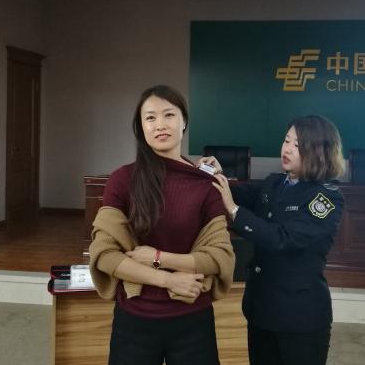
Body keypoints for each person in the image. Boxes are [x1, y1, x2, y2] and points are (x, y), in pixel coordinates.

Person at [89, 84, 235, 365]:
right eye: (150, 118)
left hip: (193, 318)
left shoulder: (205, 185)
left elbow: (220, 257)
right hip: (135, 319)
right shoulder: (122, 180)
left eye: (169, 115)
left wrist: (157, 257)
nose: (160, 125)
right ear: (141, 127)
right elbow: (104, 254)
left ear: (184, 122)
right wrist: (167, 279)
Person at [203, 115, 345, 365]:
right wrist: (216, 174)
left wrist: (234, 211)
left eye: (297, 145)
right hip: (261, 310)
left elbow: (284, 239)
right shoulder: (274, 183)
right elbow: (236, 193)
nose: (286, 149)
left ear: (319, 152)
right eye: (286, 140)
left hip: (300, 319)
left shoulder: (326, 198)